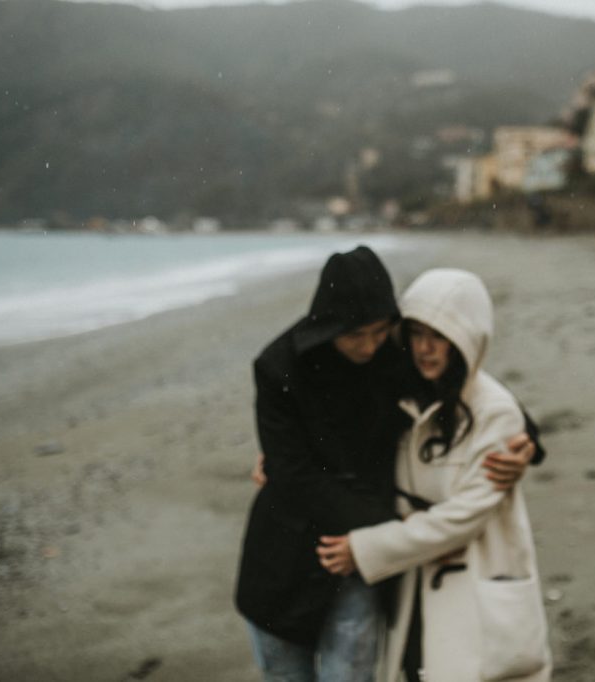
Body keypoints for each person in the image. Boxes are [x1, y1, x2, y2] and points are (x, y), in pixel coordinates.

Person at [236, 247, 542, 681]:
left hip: (360, 562)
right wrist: (394, 530)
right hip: (285, 556)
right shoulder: (277, 367)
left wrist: (527, 440)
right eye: (355, 335)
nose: (369, 346)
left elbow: (468, 385)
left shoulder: (392, 351)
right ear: (330, 326)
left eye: (380, 331)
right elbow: (294, 477)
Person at [317, 268, 552, 681]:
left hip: (472, 576)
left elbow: (463, 517)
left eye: (440, 336)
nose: (425, 348)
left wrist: (367, 548)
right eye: (417, 333)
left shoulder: (494, 411)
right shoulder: (400, 392)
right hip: (413, 579)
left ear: (467, 340)